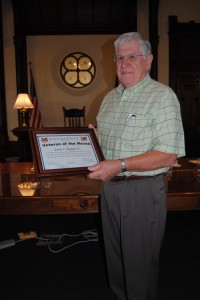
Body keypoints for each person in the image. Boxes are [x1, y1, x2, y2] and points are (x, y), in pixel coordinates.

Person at [88, 32, 185, 300]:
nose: (124, 63)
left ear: (149, 60)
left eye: (132, 56)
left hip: (142, 192)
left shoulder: (162, 96)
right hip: (110, 190)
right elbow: (107, 149)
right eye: (120, 57)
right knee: (116, 261)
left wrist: (119, 164)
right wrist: (94, 143)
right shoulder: (109, 99)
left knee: (138, 267)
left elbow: (168, 154)